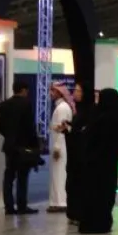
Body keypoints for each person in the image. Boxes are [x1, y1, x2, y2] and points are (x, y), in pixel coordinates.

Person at [78, 88, 118, 234]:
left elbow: (95, 140)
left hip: (97, 164)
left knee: (95, 194)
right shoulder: (116, 116)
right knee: (106, 194)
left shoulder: (104, 119)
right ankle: (103, 222)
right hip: (108, 164)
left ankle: (94, 223)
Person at [0, 82, 39, 216]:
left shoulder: (4, 105)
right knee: (22, 176)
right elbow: (30, 127)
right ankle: (22, 205)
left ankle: (9, 206)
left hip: (9, 146)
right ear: (24, 90)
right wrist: (35, 145)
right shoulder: (26, 104)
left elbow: (0, 127)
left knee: (9, 176)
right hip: (23, 147)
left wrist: (10, 137)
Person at [46, 83, 75, 213]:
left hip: (60, 146)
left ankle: (60, 202)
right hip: (60, 145)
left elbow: (61, 129)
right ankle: (58, 201)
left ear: (59, 92)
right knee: (58, 174)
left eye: (52, 91)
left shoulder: (62, 108)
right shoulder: (60, 107)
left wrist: (57, 147)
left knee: (59, 174)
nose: (50, 93)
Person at [65, 83, 91, 224]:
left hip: (81, 157)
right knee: (72, 184)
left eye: (78, 90)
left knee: (79, 185)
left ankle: (79, 213)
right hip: (74, 156)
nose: (75, 92)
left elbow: (82, 133)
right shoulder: (79, 111)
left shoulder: (87, 112)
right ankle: (73, 213)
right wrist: (68, 129)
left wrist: (71, 130)